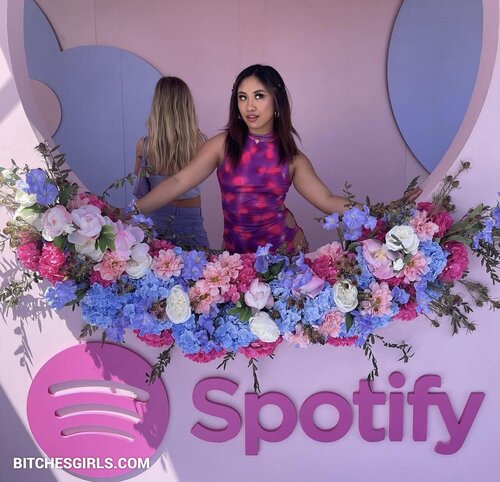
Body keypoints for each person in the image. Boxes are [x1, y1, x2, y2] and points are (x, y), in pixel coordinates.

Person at [133, 65, 421, 254]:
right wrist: (131, 211)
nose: (249, 106)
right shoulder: (222, 145)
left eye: (259, 96)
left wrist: (387, 211)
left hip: (284, 253)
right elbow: (179, 182)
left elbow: (328, 201)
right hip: (236, 258)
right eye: (242, 97)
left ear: (276, 101)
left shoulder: (292, 158)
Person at [134, 76, 209, 248]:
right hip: (191, 219)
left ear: (157, 106)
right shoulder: (202, 143)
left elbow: (138, 178)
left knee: (157, 264)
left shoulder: (144, 145)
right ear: (187, 106)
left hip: (156, 217)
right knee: (201, 263)